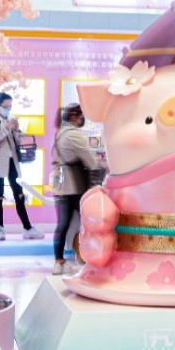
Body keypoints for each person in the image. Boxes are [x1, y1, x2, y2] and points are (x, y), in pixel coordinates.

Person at [51, 103, 102, 275]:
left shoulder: (60, 132)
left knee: (63, 224)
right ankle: (88, 256)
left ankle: (59, 261)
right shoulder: (74, 135)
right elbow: (92, 162)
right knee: (87, 221)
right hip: (74, 184)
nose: (82, 119)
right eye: (81, 116)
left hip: (60, 184)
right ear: (74, 117)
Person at [0, 92, 41, 241]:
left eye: (10, 106)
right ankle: (0, 228)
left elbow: (17, 142)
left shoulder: (11, 118)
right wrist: (6, 128)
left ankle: (27, 228)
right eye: (6, 106)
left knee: (19, 193)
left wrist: (17, 131)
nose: (8, 109)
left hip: (12, 160)